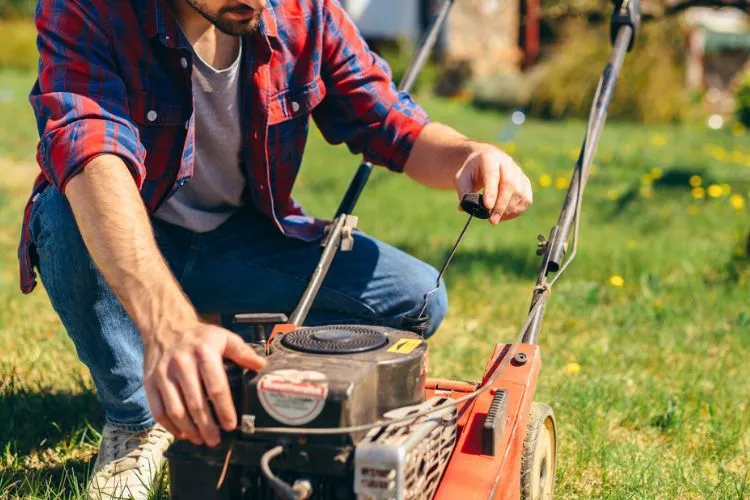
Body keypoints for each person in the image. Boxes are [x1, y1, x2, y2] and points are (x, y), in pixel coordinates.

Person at [19, 0, 533, 497]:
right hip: (122, 239)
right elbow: (92, 154)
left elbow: (391, 122)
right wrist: (169, 329)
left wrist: (471, 155)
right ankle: (137, 419)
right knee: (65, 215)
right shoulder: (88, 8)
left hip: (238, 243)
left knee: (418, 298)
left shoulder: (302, 10)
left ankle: (224, 361)